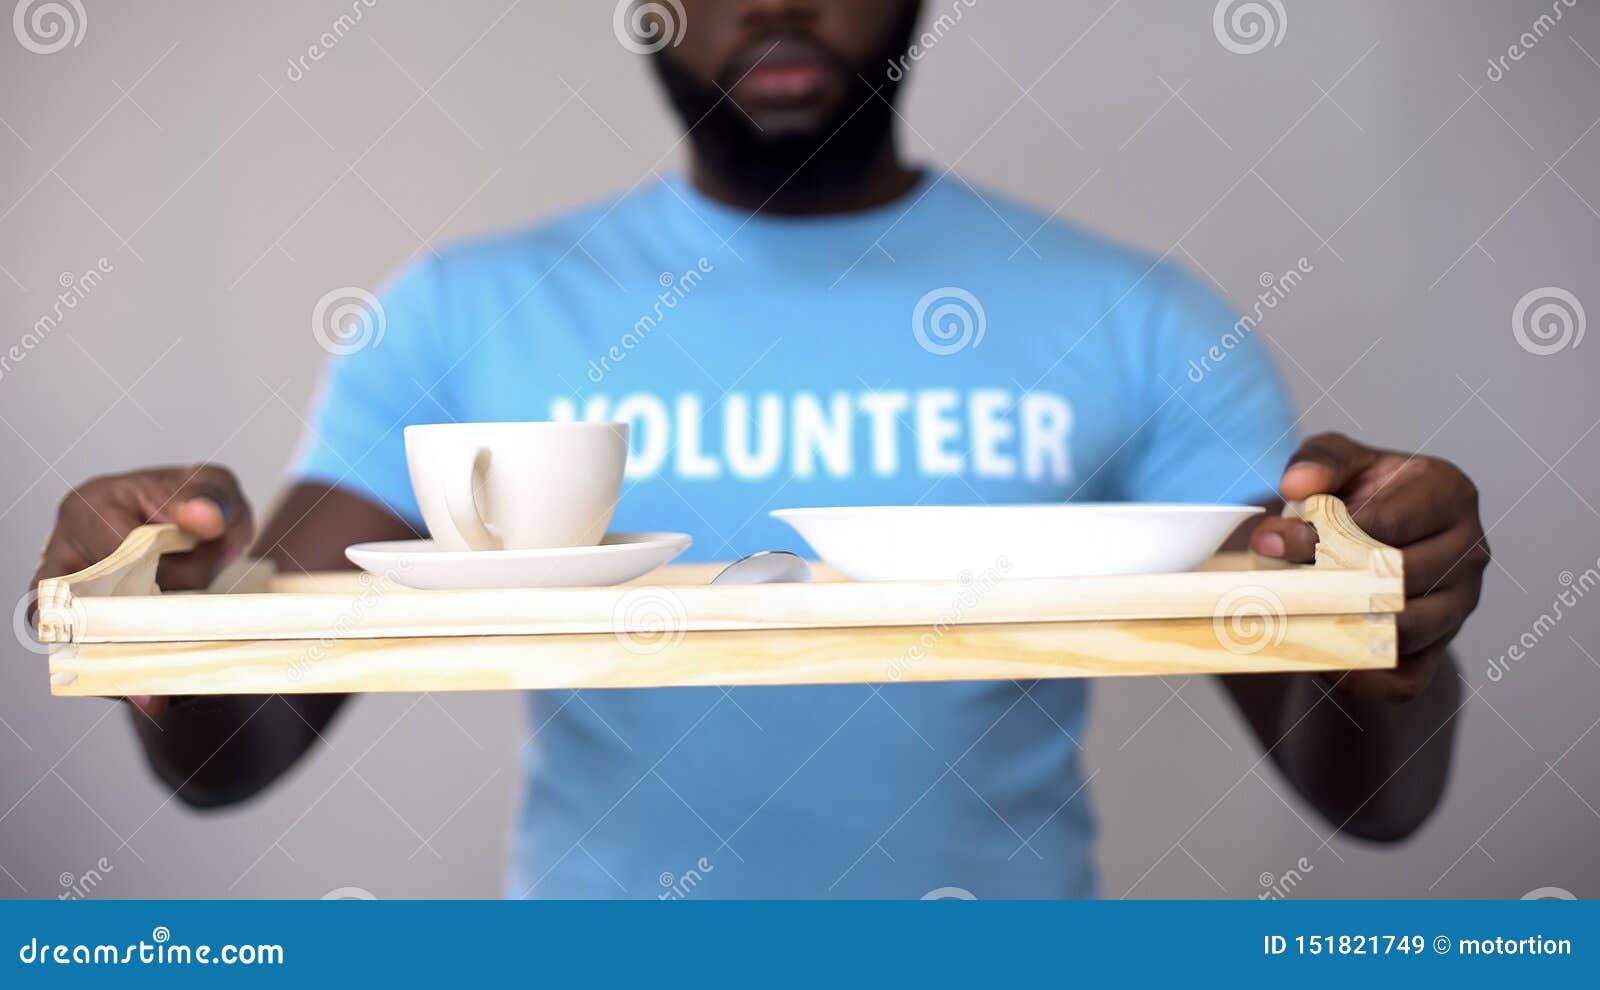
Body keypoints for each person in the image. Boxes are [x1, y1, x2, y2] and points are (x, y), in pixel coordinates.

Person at [30, 0, 1487, 898]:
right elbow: (236, 749)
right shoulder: (459, 314)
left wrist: (1389, 623)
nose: (775, 2)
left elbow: (1366, 794)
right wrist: (161, 634)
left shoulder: (1139, 316)